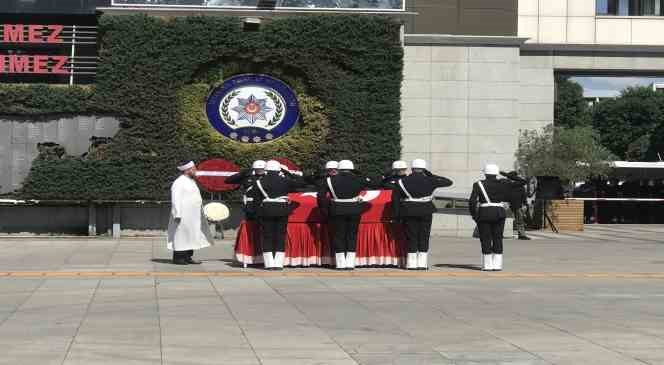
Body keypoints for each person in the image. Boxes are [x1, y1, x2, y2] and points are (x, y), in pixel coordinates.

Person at [391, 159, 452, 270]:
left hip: (409, 210)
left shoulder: (401, 182)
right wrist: (431, 174)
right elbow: (448, 182)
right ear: (423, 169)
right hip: (426, 210)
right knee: (424, 235)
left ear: (412, 169)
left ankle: (411, 264)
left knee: (411, 236)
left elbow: (395, 200)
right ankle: (422, 263)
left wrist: (396, 216)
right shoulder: (430, 180)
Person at [249, 160, 305, 270]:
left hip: (266, 210)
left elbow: (256, 201)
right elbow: (302, 183)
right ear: (279, 170)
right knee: (280, 235)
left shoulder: (258, 182)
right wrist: (288, 173)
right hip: (282, 210)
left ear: (266, 170)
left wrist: (257, 214)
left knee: (267, 236)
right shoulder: (285, 181)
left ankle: (269, 263)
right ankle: (278, 263)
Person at [317, 160, 371, 270]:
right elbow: (375, 183)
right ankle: (350, 263)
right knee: (352, 235)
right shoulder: (359, 179)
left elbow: (321, 197)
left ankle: (341, 263)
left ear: (339, 168)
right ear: (352, 168)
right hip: (354, 210)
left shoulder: (329, 180)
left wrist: (325, 210)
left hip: (336, 209)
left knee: (338, 235)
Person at [167, 161, 214, 265]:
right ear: (187, 170)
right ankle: (178, 258)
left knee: (191, 235)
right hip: (183, 215)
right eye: (194, 169)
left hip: (193, 216)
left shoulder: (191, 181)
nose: (195, 170)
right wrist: (177, 213)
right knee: (181, 236)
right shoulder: (179, 182)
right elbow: (175, 198)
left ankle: (188, 256)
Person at [469, 164, 512, 271]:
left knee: (485, 239)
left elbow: (472, 201)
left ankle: (487, 265)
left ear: (485, 173)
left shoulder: (478, 184)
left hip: (484, 213)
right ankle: (497, 265)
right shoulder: (503, 183)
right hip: (499, 212)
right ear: (496, 173)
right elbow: (522, 182)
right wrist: (506, 174)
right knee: (498, 238)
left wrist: (474, 215)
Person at [499, 170, 531, 240]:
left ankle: (521, 235)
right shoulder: (506, 183)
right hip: (508, 204)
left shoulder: (517, 185)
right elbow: (524, 195)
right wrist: (525, 204)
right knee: (504, 220)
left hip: (511, 205)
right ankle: (521, 235)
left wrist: (525, 204)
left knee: (518, 220)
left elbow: (524, 195)